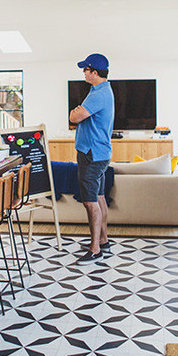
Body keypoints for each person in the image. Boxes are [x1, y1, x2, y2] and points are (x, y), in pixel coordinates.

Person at [69, 53, 115, 263]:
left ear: (94, 72)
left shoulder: (98, 95)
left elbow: (75, 117)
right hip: (99, 152)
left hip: (92, 154)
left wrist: (75, 112)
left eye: (85, 70)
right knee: (99, 197)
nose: (83, 73)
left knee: (90, 202)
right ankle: (103, 239)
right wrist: (78, 112)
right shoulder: (100, 90)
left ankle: (95, 248)